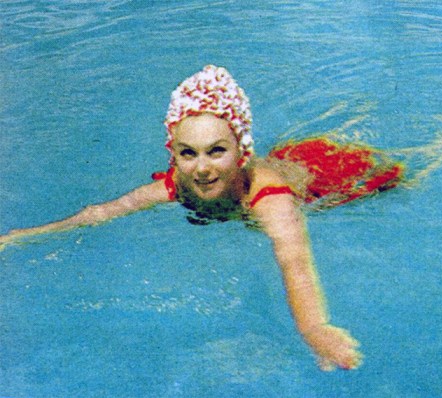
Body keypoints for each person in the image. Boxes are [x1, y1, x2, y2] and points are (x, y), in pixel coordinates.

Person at [0, 65, 406, 371]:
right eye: (188, 153)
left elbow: (293, 258)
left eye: (216, 151)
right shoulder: (179, 183)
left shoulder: (268, 199)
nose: (202, 169)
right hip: (287, 159)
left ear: (241, 152)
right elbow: (101, 213)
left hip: (333, 181)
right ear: (173, 155)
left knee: (411, 173)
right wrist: (22, 235)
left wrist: (312, 328)